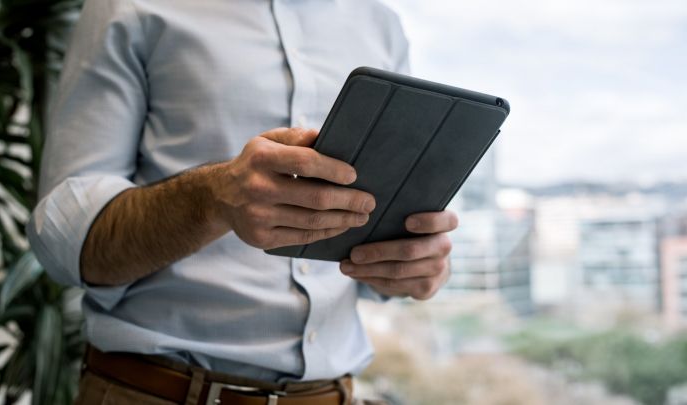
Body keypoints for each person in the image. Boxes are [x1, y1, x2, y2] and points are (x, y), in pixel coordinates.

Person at [27, 0, 458, 403]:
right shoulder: (129, 6)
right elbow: (67, 242)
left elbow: (375, 232)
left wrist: (408, 262)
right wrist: (213, 198)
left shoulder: (381, 24)